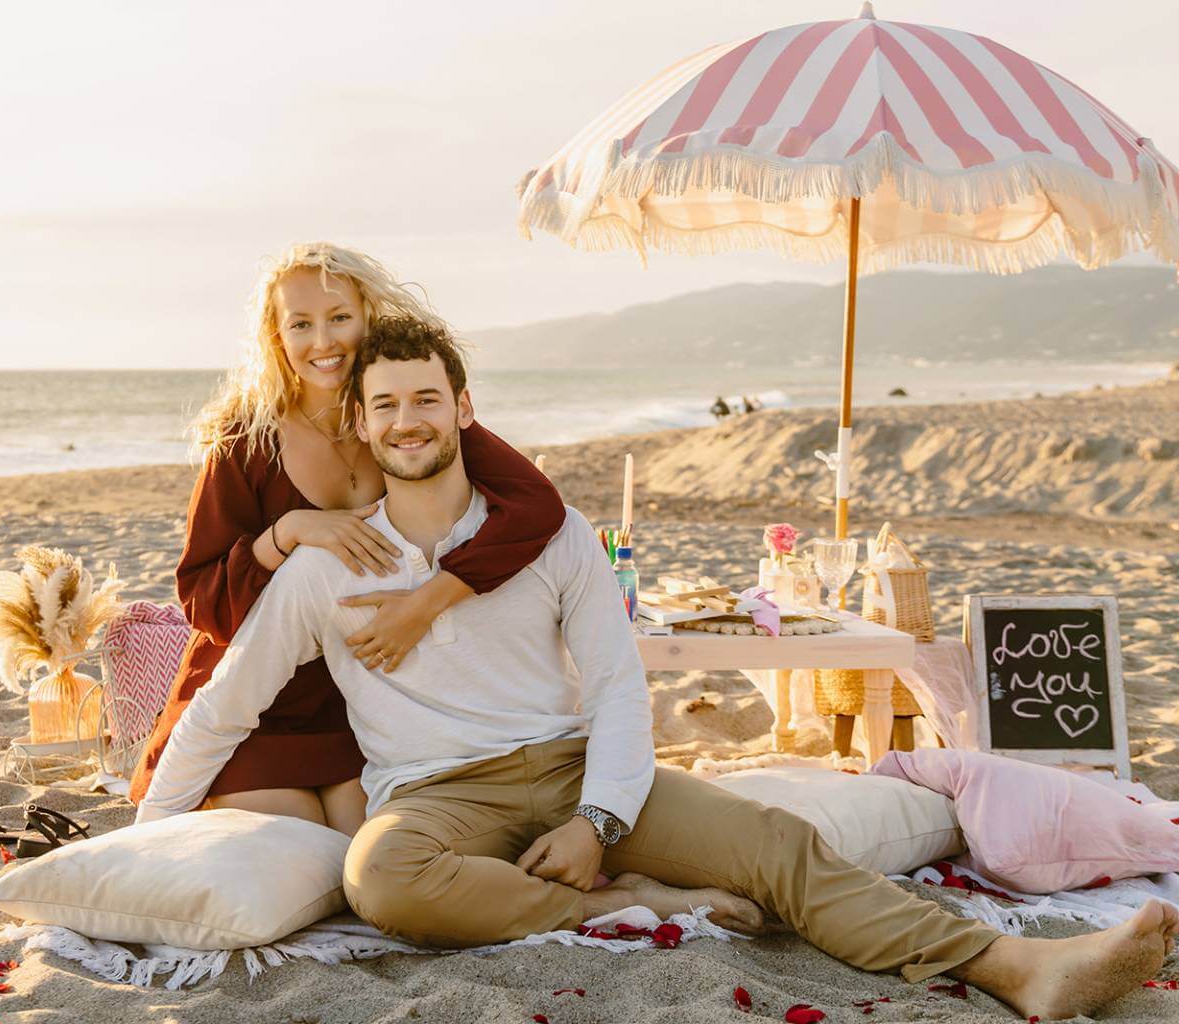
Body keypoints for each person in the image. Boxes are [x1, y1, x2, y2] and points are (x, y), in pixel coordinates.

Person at [138, 317, 1176, 1022]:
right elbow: (225, 707)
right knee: (377, 876)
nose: (406, 421)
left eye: (425, 399)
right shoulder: (327, 569)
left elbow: (617, 691)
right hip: (431, 799)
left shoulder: (550, 538)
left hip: (570, 763)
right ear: (361, 424)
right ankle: (612, 908)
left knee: (778, 843)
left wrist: (595, 822)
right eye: (386, 406)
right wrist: (148, 843)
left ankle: (1018, 966)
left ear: (462, 409)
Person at [128, 245, 565, 836]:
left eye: (339, 318)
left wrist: (430, 600)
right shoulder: (245, 440)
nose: (323, 341)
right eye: (300, 324)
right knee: (292, 838)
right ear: (275, 337)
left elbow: (537, 507)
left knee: (354, 843)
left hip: (364, 695)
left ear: (368, 317)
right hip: (255, 704)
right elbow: (203, 604)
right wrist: (287, 533)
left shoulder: (401, 421)